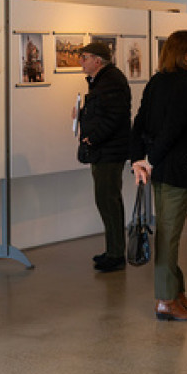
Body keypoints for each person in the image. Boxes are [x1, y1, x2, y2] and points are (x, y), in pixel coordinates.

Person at [131, 30, 187, 321]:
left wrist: (139, 160)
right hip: (177, 168)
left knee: (171, 233)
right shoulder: (186, 83)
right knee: (168, 235)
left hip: (165, 167)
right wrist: (148, 161)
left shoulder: (158, 81)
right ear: (186, 53)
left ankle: (177, 293)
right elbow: (173, 127)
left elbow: (140, 122)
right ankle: (166, 300)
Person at [72, 41, 132, 273]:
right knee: (106, 200)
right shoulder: (102, 81)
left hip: (109, 151)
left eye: (84, 57)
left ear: (98, 60)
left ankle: (116, 254)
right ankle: (113, 250)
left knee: (108, 200)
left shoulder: (112, 81)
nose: (81, 61)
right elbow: (103, 112)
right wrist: (83, 114)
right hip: (104, 150)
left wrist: (92, 138)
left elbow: (114, 117)